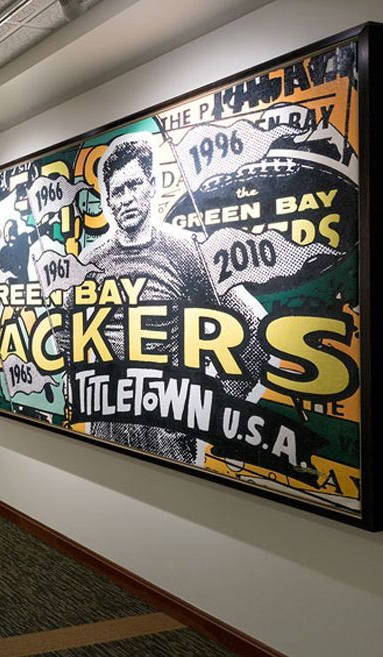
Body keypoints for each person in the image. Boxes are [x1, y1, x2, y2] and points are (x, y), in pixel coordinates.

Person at [69, 133, 265, 464]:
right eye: (117, 191)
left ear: (152, 185)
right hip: (107, 424)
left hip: (167, 428)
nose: (126, 199)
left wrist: (220, 401)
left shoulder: (186, 252)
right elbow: (70, 333)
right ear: (108, 200)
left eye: (133, 185)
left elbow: (254, 329)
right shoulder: (92, 260)